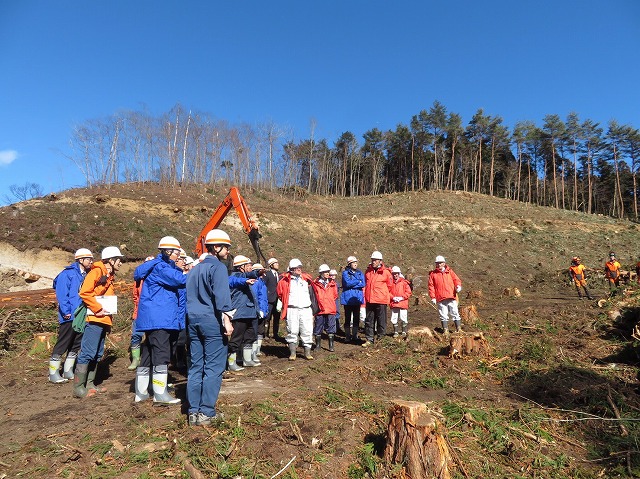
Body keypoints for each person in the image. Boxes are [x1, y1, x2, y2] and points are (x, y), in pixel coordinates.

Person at [185, 229, 234, 426]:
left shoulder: (194, 269)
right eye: (226, 247)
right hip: (211, 322)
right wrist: (227, 320)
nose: (228, 251)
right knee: (213, 367)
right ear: (216, 247)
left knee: (196, 366)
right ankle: (206, 413)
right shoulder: (218, 268)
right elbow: (222, 298)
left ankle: (193, 412)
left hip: (193, 321)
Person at [133, 236, 187, 405]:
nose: (179, 256)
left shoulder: (157, 266)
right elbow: (181, 280)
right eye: (177, 252)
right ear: (168, 251)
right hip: (160, 318)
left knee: (149, 354)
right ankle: (159, 394)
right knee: (161, 355)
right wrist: (199, 273)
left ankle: (141, 392)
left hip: (155, 318)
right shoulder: (161, 267)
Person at [73, 246, 123, 398]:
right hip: (94, 319)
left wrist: (108, 322)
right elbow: (84, 292)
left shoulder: (108, 275)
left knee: (97, 353)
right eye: (118, 260)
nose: (121, 263)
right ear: (110, 260)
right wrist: (97, 308)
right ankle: (78, 388)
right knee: (87, 352)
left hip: (103, 320)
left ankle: (90, 385)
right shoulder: (96, 272)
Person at [49, 248, 94, 383]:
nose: (91, 261)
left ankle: (68, 371)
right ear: (80, 260)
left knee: (76, 344)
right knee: (63, 342)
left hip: (81, 315)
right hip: (69, 315)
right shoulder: (67, 274)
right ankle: (53, 373)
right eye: (88, 259)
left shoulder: (86, 274)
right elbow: (62, 295)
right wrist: (66, 311)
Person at [277, 259, 316, 360]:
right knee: (292, 330)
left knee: (307, 330)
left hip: (306, 309)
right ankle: (292, 353)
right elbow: (280, 294)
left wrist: (313, 309)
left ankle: (307, 353)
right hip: (292, 309)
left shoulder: (306, 280)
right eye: (297, 268)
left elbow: (313, 294)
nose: (299, 269)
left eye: (300, 267)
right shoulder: (284, 281)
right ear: (291, 269)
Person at [228, 255, 259, 370]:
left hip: (249, 312)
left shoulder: (245, 276)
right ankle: (231, 363)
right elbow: (237, 280)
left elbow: (251, 275)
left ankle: (247, 360)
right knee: (236, 339)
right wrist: (247, 279)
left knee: (249, 336)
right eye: (247, 265)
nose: (250, 268)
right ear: (241, 267)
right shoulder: (235, 276)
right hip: (240, 313)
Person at [128, 255, 155, 371]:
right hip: (139, 310)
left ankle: (151, 358)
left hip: (152, 311)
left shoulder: (156, 278)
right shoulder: (139, 279)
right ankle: (136, 359)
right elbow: (135, 295)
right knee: (136, 334)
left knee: (153, 335)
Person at [363, 251, 392, 347]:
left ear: (380, 261)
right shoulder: (368, 271)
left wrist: (382, 294)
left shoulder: (386, 272)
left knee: (381, 321)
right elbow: (366, 283)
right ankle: (369, 340)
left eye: (375, 260)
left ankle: (381, 340)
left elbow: (390, 286)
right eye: (372, 260)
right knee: (369, 321)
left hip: (381, 300)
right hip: (370, 299)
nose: (373, 262)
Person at [428, 255, 462, 335]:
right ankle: (445, 330)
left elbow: (456, 279)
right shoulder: (433, 274)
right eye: (437, 263)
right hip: (440, 297)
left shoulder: (450, 271)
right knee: (443, 314)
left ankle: (459, 329)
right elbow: (431, 286)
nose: (439, 264)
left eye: (440, 263)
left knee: (455, 312)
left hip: (451, 295)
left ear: (444, 263)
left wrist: (458, 286)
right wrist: (433, 297)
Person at [312, 264, 339, 352]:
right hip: (320, 309)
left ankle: (331, 346)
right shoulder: (315, 283)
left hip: (330, 308)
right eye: (325, 272)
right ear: (321, 273)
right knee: (318, 326)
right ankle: (318, 346)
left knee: (331, 327)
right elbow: (314, 296)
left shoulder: (333, 283)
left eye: (328, 272)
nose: (327, 273)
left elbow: (335, 295)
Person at [341, 256, 365, 344]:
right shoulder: (345, 273)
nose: (355, 264)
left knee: (356, 318)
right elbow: (347, 283)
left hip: (357, 298)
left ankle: (355, 335)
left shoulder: (360, 273)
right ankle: (347, 336)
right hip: (348, 299)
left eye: (356, 262)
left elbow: (363, 283)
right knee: (347, 318)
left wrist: (354, 283)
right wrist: (357, 281)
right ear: (349, 264)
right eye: (353, 262)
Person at [252, 263, 269, 360]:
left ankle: (258, 349)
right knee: (254, 331)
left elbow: (264, 298)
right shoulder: (255, 282)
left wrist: (265, 309)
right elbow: (255, 297)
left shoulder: (262, 282)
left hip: (263, 310)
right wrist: (258, 310)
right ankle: (253, 351)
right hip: (257, 311)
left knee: (260, 331)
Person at [389, 266, 412, 337]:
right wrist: (393, 298)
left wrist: (402, 298)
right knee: (394, 317)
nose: (395, 275)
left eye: (396, 273)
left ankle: (404, 332)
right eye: (394, 274)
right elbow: (387, 292)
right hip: (394, 303)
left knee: (403, 317)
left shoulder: (404, 283)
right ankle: (396, 332)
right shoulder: (390, 283)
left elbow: (408, 292)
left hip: (402, 303)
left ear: (399, 274)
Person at [264, 258, 281, 340]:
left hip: (278, 300)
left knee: (277, 317)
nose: (277, 264)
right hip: (269, 299)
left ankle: (275, 334)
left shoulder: (279, 275)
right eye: (275, 263)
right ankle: (265, 333)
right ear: (271, 265)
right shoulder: (267, 274)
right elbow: (264, 285)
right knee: (268, 317)